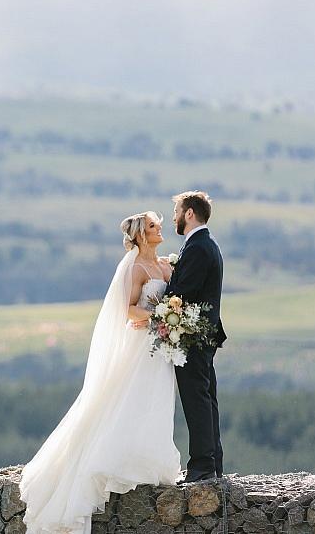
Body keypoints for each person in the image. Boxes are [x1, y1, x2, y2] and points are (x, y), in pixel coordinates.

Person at [20, 211, 181, 534]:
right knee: (132, 397)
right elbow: (128, 308)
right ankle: (115, 459)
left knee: (156, 399)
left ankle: (148, 460)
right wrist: (160, 317)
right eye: (152, 226)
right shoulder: (135, 268)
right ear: (139, 235)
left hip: (161, 345)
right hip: (141, 344)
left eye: (158, 224)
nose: (158, 228)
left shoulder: (165, 265)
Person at [168, 190, 226, 482]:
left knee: (197, 400)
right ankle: (211, 463)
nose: (174, 218)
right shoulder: (206, 245)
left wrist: (164, 301)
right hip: (203, 337)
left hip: (193, 337)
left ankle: (202, 466)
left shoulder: (198, 248)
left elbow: (183, 294)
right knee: (206, 398)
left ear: (189, 213)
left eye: (177, 211)